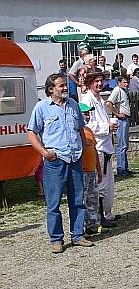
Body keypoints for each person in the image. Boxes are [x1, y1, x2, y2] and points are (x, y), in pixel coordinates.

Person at [27, 73, 93, 253]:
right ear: (51, 89)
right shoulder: (41, 107)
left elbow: (80, 128)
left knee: (77, 199)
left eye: (65, 85)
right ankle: (56, 239)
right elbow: (32, 133)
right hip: (55, 161)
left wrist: (83, 149)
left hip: (74, 158)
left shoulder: (73, 104)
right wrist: (45, 153)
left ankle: (78, 235)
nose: (65, 88)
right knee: (54, 203)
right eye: (61, 85)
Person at [81, 72, 118, 228]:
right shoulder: (86, 100)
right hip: (98, 147)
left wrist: (110, 125)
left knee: (108, 184)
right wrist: (106, 127)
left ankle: (107, 213)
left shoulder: (100, 100)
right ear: (90, 83)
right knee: (100, 183)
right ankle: (100, 216)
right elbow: (87, 125)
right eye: (96, 81)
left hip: (106, 146)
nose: (99, 84)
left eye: (101, 81)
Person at [78, 103, 103, 235]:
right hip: (82, 172)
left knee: (93, 198)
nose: (87, 116)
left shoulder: (88, 130)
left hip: (91, 171)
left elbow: (94, 150)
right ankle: (81, 227)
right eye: (85, 113)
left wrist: (98, 170)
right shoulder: (76, 131)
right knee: (82, 200)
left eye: (88, 113)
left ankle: (93, 224)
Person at [106, 76, 131, 176]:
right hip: (121, 120)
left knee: (125, 144)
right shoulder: (117, 90)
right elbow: (109, 103)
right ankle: (121, 169)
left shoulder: (124, 91)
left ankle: (125, 167)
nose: (126, 84)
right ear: (119, 82)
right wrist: (117, 114)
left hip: (125, 118)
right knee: (121, 144)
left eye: (127, 82)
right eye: (124, 82)